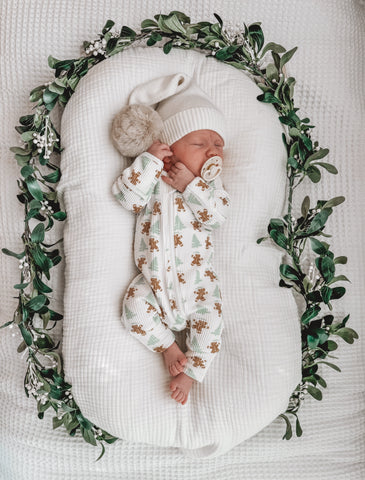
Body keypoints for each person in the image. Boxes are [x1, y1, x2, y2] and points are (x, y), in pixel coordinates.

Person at [111, 73, 231, 405]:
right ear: (171, 145)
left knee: (211, 324)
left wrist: (192, 186)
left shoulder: (210, 190)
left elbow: (217, 217)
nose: (212, 151)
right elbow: (127, 198)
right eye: (199, 143)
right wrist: (149, 160)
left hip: (198, 284)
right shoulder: (154, 177)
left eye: (218, 144)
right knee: (133, 307)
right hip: (152, 282)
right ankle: (168, 347)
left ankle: (193, 372)